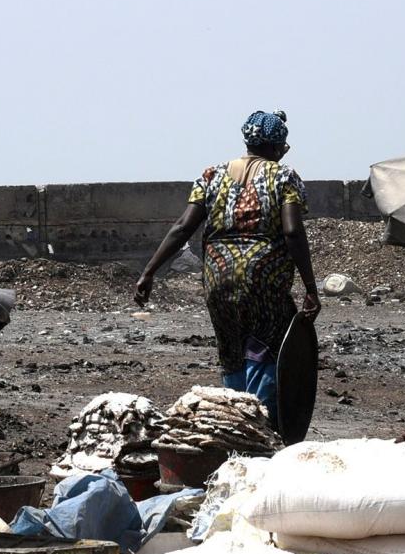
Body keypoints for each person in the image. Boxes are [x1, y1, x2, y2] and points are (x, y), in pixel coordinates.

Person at [133, 110, 320, 412]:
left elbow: (182, 227)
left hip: (218, 278)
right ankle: (261, 425)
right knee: (267, 349)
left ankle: (234, 420)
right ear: (279, 146)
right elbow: (292, 231)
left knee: (231, 349)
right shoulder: (284, 176)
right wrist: (310, 287)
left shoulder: (211, 175)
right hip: (264, 281)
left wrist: (149, 272)